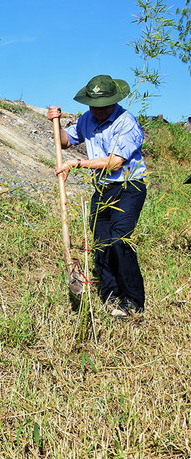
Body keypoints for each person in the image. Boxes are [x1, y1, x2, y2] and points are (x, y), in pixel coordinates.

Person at [47, 74, 147, 317]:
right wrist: (56, 123)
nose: (98, 111)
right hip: (102, 190)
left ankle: (133, 300)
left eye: (103, 106)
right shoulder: (87, 120)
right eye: (94, 106)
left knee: (119, 240)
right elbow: (65, 142)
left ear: (114, 102)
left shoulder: (127, 123)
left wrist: (78, 164)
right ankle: (110, 295)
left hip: (128, 186)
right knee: (101, 243)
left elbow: (114, 162)